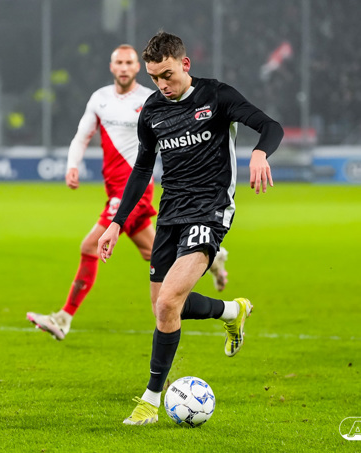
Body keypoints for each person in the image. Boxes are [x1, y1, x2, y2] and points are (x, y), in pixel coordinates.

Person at [96, 32, 283, 425]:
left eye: (167, 75)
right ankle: (232, 311)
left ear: (185, 64)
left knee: (168, 303)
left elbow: (270, 126)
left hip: (210, 211)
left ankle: (149, 402)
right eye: (154, 78)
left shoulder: (217, 96)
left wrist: (260, 152)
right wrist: (116, 223)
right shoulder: (152, 111)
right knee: (163, 308)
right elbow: (142, 170)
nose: (162, 85)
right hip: (170, 214)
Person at [26, 45, 229, 341]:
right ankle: (213, 256)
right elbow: (82, 136)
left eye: (129, 63)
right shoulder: (100, 99)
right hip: (113, 189)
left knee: (89, 246)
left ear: (137, 68)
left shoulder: (151, 99)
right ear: (112, 67)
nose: (123, 67)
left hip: (133, 191)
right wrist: (72, 166)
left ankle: (64, 318)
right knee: (154, 252)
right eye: (118, 62)